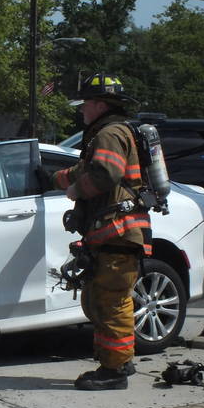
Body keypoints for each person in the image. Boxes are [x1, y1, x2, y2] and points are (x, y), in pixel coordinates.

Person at [52, 73, 152, 391]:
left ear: (98, 105)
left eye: (85, 105)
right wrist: (57, 178)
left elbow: (106, 174)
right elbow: (89, 168)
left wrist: (75, 190)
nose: (82, 111)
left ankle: (115, 370)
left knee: (111, 300)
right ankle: (114, 362)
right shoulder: (110, 133)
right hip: (113, 233)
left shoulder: (110, 133)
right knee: (98, 299)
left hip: (119, 232)